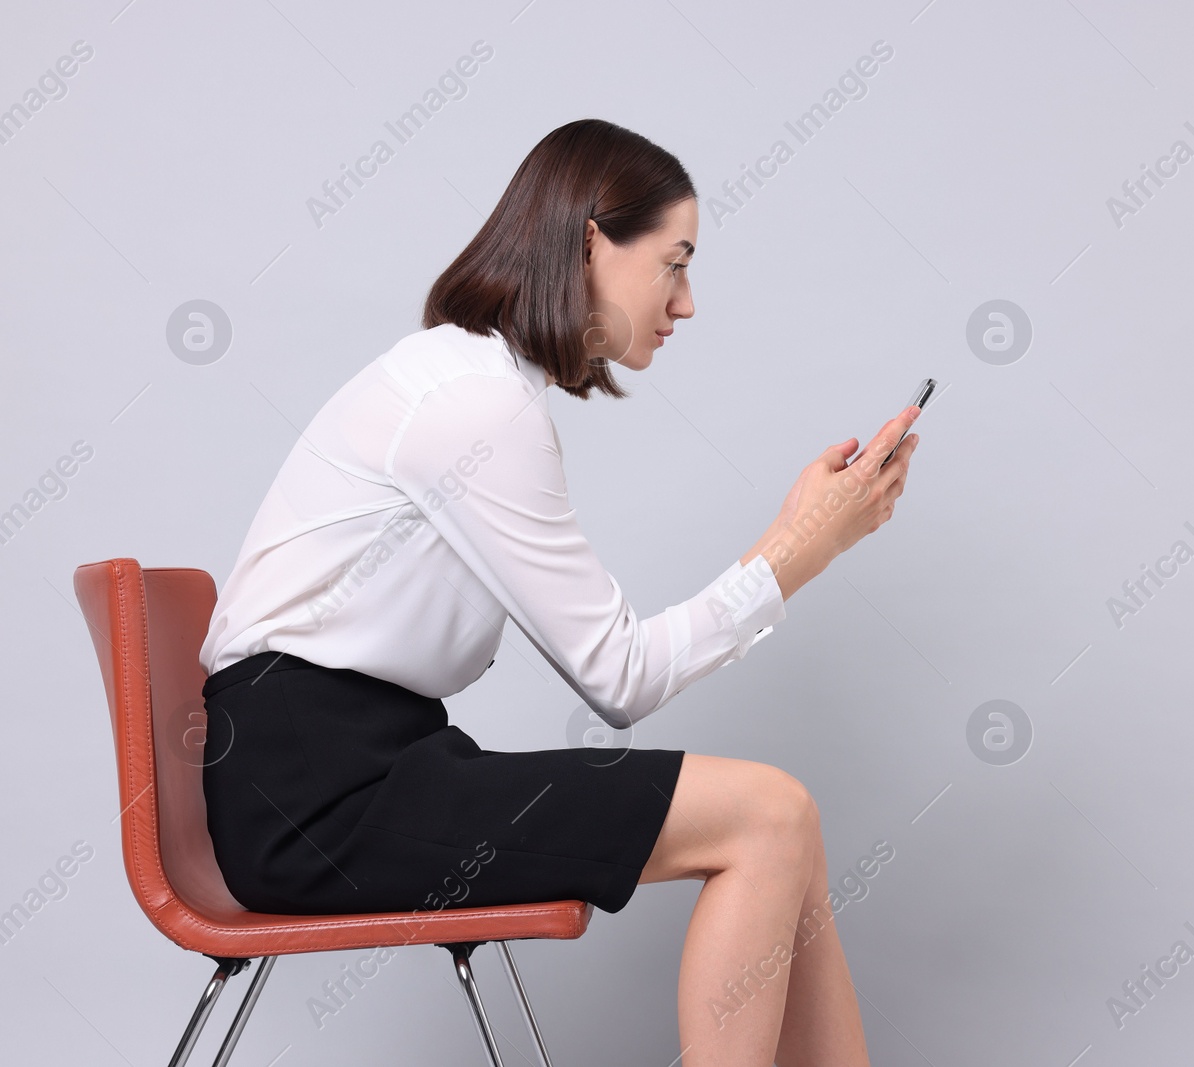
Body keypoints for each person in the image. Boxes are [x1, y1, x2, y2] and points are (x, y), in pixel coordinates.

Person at [196, 117, 920, 1065]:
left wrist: (792, 542)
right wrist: (797, 549)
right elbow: (617, 678)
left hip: (357, 766)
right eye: (675, 262)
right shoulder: (474, 406)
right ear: (590, 242)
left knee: (789, 829)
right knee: (770, 813)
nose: (688, 301)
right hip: (321, 795)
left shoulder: (473, 384)